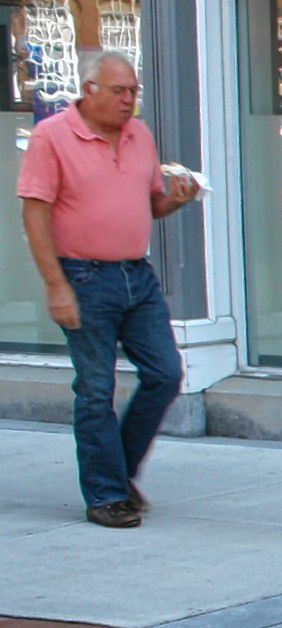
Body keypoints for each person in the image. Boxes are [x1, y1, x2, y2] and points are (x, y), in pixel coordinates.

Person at [15, 51, 200, 528]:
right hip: (82, 276)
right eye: (120, 91)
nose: (129, 100)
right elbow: (34, 215)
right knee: (96, 389)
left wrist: (174, 201)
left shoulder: (138, 135)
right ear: (89, 89)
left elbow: (147, 206)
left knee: (164, 374)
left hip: (136, 274)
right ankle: (106, 494)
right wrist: (56, 286)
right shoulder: (52, 137)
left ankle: (116, 472)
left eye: (134, 91)